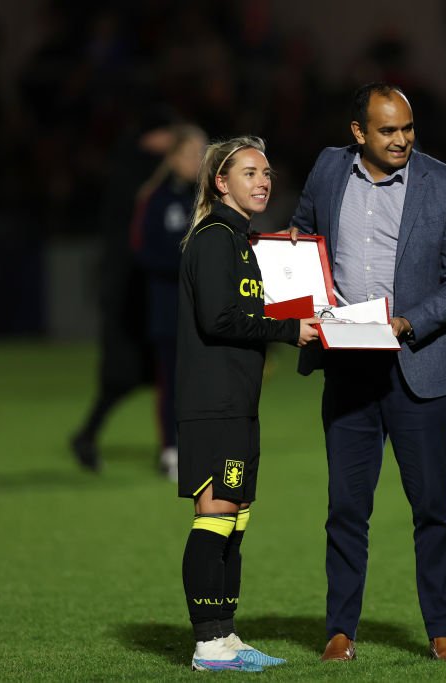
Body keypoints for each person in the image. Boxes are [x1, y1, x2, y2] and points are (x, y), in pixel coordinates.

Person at [289, 83, 446, 664]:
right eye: (388, 130)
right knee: (346, 508)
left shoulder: (445, 183)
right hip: (347, 368)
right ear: (358, 133)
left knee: (432, 509)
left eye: (408, 128)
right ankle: (340, 631)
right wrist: (294, 258)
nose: (401, 140)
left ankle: (442, 632)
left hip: (417, 368)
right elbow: (302, 230)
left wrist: (407, 322)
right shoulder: (327, 169)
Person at [176, 135, 319, 671]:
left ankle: (225, 635)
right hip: (213, 404)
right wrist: (289, 328)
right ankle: (208, 643)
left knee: (235, 518)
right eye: (250, 173)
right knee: (214, 515)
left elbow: (256, 303)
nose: (263, 181)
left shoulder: (241, 241)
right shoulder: (214, 237)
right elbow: (219, 318)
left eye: (266, 174)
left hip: (237, 401)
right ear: (221, 182)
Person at [70, 107, 178, 472]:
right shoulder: (142, 177)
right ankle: (89, 436)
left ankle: (170, 448)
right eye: (168, 133)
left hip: (134, 291)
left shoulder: (133, 172)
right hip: (130, 293)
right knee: (127, 375)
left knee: (158, 375)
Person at [131, 124, 207, 481]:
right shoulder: (156, 198)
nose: (198, 160)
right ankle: (171, 451)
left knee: (204, 381)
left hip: (205, 308)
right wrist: (188, 263)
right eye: (192, 153)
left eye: (202, 152)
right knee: (173, 381)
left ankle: (199, 446)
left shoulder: (207, 198)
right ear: (174, 157)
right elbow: (143, 251)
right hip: (168, 306)